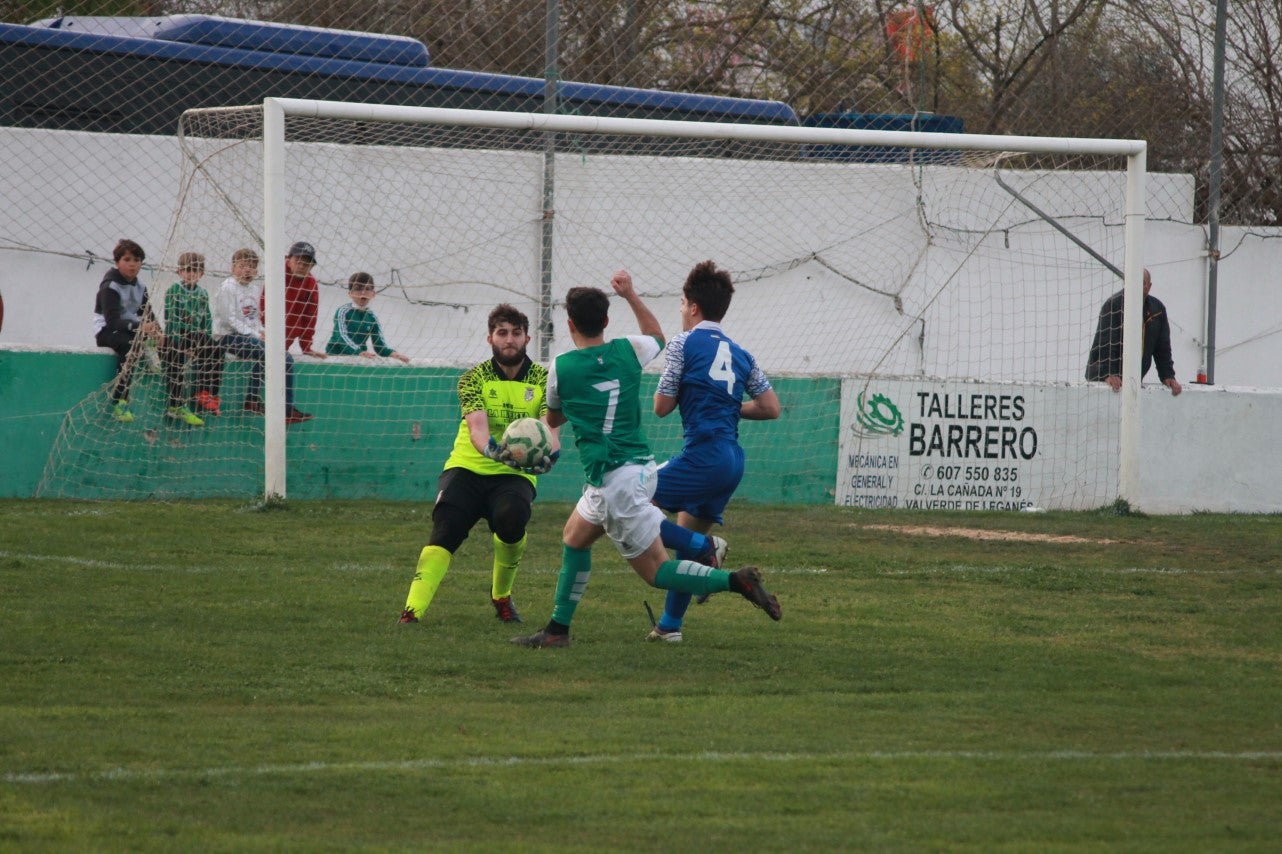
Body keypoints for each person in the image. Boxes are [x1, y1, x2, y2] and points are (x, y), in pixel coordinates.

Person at [510, 270, 782, 649]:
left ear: (569, 323)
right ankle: (561, 630)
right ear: (606, 321)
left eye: (684, 303)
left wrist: (530, 443)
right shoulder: (630, 350)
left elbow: (557, 421)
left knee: (658, 571)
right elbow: (657, 336)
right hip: (692, 461)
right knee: (574, 537)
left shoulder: (562, 367)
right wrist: (631, 295)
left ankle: (733, 579)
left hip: (617, 476)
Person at [646, 260, 782, 643]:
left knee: (629, 501)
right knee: (684, 550)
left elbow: (661, 406)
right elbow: (772, 408)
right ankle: (670, 627)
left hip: (703, 456)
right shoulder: (742, 353)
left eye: (681, 304)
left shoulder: (682, 342)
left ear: (692, 307)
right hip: (732, 460)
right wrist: (727, 405)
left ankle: (708, 548)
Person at [399, 304, 558, 625]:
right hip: (467, 467)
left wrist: (551, 455)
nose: (509, 339)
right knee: (446, 528)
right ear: (490, 339)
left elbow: (550, 429)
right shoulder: (473, 378)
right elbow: (477, 429)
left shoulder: (545, 380)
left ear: (527, 337)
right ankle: (411, 612)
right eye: (502, 333)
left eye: (515, 333)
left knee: (511, 520)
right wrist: (493, 450)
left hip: (514, 475)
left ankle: (501, 598)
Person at [213, 247, 313, 425]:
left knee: (287, 359)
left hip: (250, 338)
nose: (247, 270)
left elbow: (255, 318)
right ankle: (252, 399)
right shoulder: (227, 287)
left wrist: (263, 332)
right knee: (265, 351)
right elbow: (230, 320)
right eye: (243, 266)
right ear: (233, 268)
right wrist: (255, 335)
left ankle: (287, 409)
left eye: (252, 266)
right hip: (228, 337)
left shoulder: (254, 289)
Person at [1085, 268, 1182, 396]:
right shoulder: (1114, 304)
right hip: (1103, 378)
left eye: (1141, 283)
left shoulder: (1157, 309)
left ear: (1149, 286)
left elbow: (1162, 347)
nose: (1136, 286)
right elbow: (1106, 342)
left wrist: (1167, 375)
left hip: (1132, 380)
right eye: (1133, 282)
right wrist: (1109, 373)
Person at [93, 238, 160, 423]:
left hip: (132, 330)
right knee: (130, 346)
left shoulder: (140, 286)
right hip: (107, 331)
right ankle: (120, 400)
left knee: (172, 346)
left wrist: (158, 331)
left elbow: (148, 313)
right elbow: (113, 321)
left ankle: (176, 405)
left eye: (137, 260)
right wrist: (139, 327)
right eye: (127, 259)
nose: (132, 264)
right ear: (117, 262)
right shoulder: (109, 287)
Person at [158, 251, 223, 425]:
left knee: (216, 349)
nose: (191, 273)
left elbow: (206, 320)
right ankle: (175, 404)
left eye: (195, 270)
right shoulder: (174, 290)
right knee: (176, 358)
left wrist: (205, 341)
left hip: (196, 336)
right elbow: (170, 317)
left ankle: (207, 392)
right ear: (179, 272)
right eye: (187, 270)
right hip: (178, 334)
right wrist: (180, 342)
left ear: (201, 273)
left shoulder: (203, 293)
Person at [325, 272, 410, 362]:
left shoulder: (371, 317)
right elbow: (341, 336)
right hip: (336, 358)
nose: (363, 292)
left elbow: (379, 346)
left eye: (367, 289)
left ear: (373, 294)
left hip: (358, 359)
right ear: (350, 293)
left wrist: (394, 354)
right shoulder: (343, 311)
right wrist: (359, 352)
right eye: (358, 289)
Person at [263, 240, 326, 358]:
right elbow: (263, 305)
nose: (301, 266)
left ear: (312, 266)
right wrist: (262, 331)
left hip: (285, 343)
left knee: (284, 367)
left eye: (306, 264)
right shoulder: (277, 275)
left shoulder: (311, 284)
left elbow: (310, 318)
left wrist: (306, 347)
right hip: (263, 337)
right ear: (288, 260)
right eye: (298, 261)